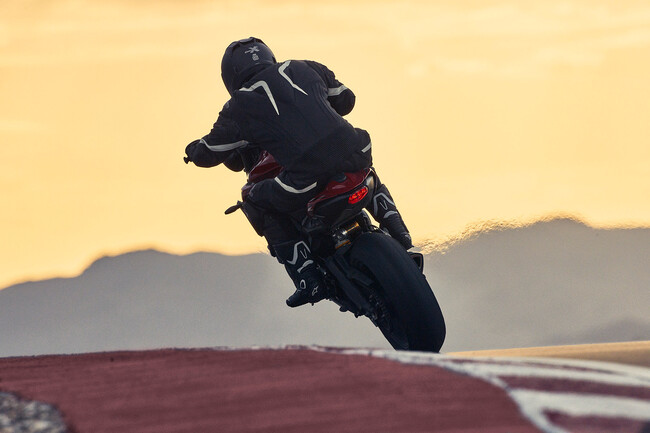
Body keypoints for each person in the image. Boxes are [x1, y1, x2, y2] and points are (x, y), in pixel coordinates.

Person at [184, 37, 412, 308]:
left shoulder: (238, 105)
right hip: (356, 150)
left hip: (306, 175)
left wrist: (191, 150)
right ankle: (398, 229)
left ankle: (308, 276)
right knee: (361, 166)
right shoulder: (305, 66)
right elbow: (346, 100)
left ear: (230, 76)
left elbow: (208, 153)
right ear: (269, 56)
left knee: (254, 198)